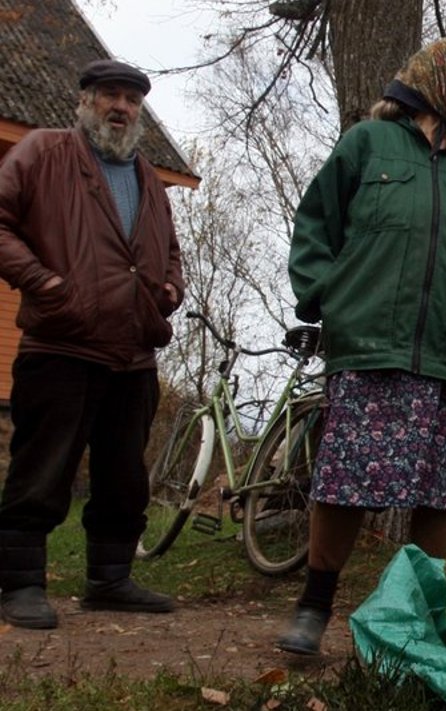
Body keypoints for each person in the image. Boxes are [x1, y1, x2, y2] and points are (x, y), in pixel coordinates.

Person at [279, 37, 446, 656]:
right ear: (431, 80)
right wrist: (324, 297)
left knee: (440, 496)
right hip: (372, 348)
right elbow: (316, 224)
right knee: (345, 483)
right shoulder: (368, 144)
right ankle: (314, 605)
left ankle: (420, 621)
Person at [0, 59, 185, 629]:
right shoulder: (42, 153)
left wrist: (171, 290)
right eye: (110, 95)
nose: (121, 107)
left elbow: (171, 251)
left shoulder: (151, 180)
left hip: (133, 353)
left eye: (131, 99)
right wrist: (44, 283)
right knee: (41, 472)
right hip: (62, 345)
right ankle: (20, 586)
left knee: (125, 478)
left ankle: (110, 580)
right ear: (84, 101)